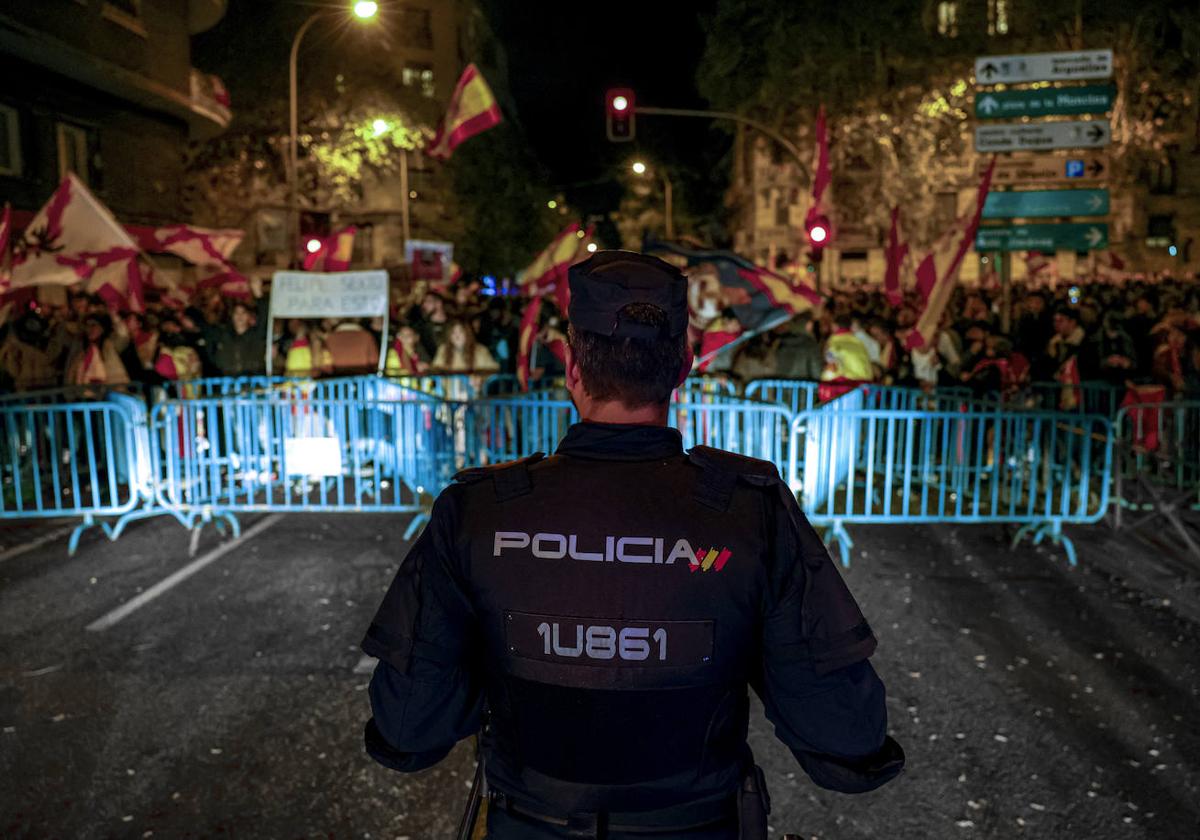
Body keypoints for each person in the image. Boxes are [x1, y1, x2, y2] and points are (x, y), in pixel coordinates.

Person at [360, 250, 904, 840]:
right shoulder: (750, 512)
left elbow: (407, 728)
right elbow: (846, 736)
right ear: (683, 367)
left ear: (571, 367)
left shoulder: (478, 510)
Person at [431, 319, 499, 373]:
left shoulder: (480, 350)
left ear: (467, 333)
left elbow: (492, 370)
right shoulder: (443, 350)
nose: (457, 336)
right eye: (453, 333)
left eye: (460, 332)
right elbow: (436, 369)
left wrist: (480, 379)